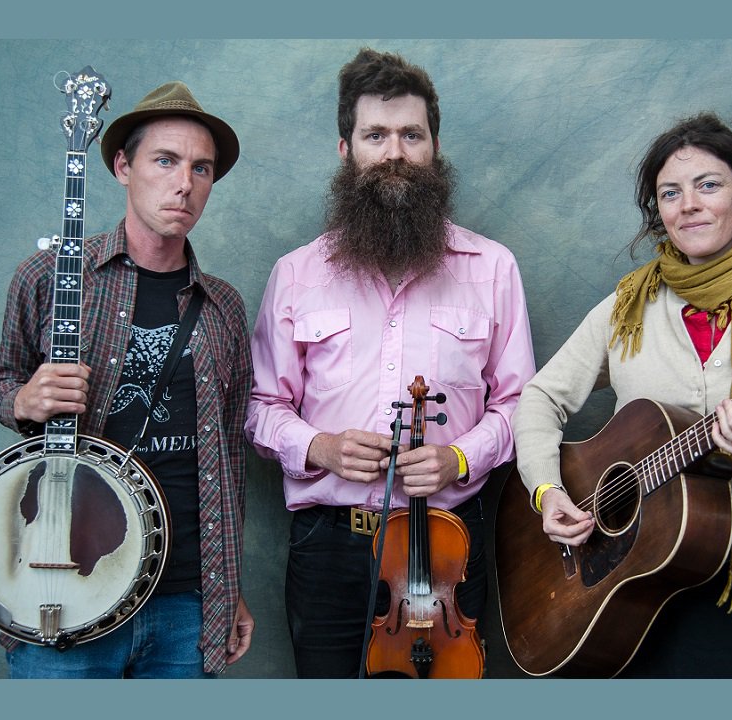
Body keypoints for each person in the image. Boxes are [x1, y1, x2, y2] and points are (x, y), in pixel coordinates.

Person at [510, 112, 732, 678]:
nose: (689, 205)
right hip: (642, 589)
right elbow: (539, 397)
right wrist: (546, 489)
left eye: (708, 185)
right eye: (670, 193)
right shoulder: (629, 304)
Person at [244, 47, 536, 678]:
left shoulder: (493, 269)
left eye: (412, 134)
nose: (396, 152)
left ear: (434, 147)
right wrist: (319, 447)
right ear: (347, 151)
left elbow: (520, 407)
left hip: (450, 549)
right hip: (328, 548)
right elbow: (262, 408)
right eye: (375, 135)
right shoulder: (296, 274)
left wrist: (459, 458)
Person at [0, 81, 254, 678]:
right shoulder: (48, 277)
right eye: (165, 160)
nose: (184, 183)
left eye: (201, 168)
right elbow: (1, 385)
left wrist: (227, 588)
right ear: (121, 167)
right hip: (66, 582)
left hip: (186, 601)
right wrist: (25, 399)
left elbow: (231, 458)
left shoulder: (223, 309)